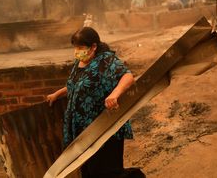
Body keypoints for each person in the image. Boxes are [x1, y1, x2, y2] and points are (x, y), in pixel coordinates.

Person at [47, 27, 144, 178]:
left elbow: (127, 77)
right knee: (89, 172)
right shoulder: (80, 62)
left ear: (93, 46)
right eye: (75, 47)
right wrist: (57, 94)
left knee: (106, 171)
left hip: (103, 126)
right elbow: (77, 84)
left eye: (80, 47)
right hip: (82, 130)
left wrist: (114, 95)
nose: (77, 51)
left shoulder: (106, 60)